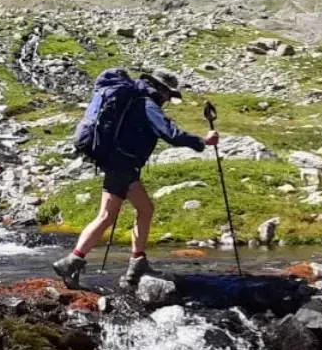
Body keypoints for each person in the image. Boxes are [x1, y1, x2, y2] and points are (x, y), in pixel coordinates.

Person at [53, 70, 218, 289]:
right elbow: (171, 134)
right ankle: (73, 261)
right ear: (161, 90)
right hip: (123, 166)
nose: (168, 100)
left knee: (143, 209)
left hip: (120, 164)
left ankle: (135, 264)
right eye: (168, 95)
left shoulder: (136, 101)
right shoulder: (147, 104)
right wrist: (202, 142)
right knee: (107, 216)